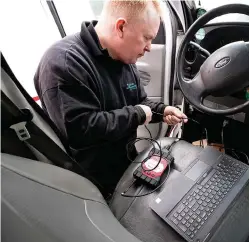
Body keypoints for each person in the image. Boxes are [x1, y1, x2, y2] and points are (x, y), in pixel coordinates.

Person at [34, 0, 187, 194]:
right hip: (90, 181)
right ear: (121, 27)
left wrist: (161, 110)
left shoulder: (124, 57)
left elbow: (139, 102)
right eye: (146, 38)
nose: (149, 47)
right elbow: (81, 130)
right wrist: (138, 114)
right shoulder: (64, 63)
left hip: (124, 162)